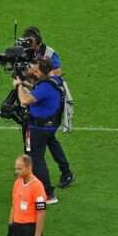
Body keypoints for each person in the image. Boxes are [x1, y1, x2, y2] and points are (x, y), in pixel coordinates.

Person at [22, 27, 74, 189]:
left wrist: (35, 81)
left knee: (43, 139)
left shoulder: (49, 53)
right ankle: (66, 171)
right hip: (39, 94)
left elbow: (57, 72)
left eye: (30, 39)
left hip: (48, 98)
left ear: (38, 40)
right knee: (50, 139)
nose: (28, 42)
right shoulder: (26, 52)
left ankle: (41, 180)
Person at [15, 57, 67, 203]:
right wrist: (26, 83)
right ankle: (60, 175)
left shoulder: (45, 87)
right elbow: (39, 90)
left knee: (36, 160)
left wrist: (19, 85)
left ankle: (48, 194)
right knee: (39, 156)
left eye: (36, 70)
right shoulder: (55, 80)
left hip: (39, 128)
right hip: (49, 126)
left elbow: (25, 100)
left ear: (43, 71)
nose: (34, 73)